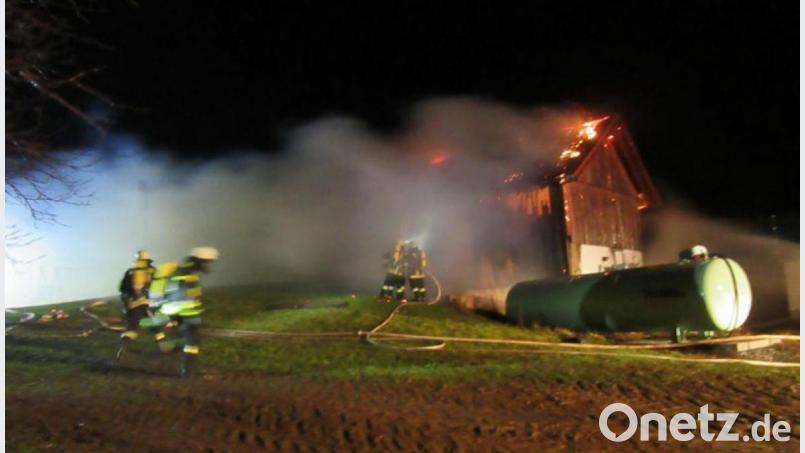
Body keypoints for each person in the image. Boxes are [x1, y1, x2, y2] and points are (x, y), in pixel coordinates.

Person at [154, 246, 219, 377]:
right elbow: (186, 293)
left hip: (177, 311)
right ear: (198, 260)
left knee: (190, 340)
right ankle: (188, 370)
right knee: (192, 340)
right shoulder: (188, 272)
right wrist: (195, 305)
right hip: (183, 312)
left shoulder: (184, 269)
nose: (208, 265)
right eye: (206, 262)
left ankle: (179, 357)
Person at [117, 250, 157, 363]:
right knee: (149, 325)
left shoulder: (130, 271)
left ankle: (124, 348)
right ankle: (165, 347)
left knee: (135, 326)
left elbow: (121, 288)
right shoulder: (150, 271)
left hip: (131, 304)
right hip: (143, 303)